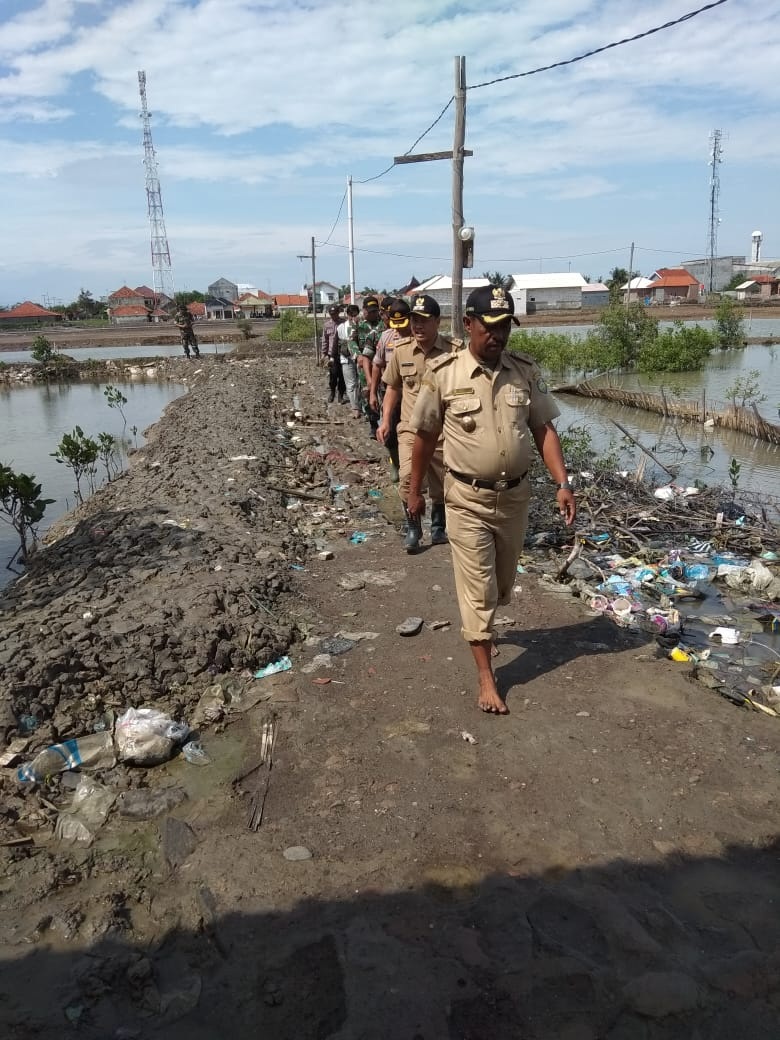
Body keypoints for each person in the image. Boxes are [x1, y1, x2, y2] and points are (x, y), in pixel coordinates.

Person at [408, 285, 576, 714]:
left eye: (505, 327)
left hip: (515, 498)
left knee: (502, 587)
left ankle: (486, 627)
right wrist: (415, 491)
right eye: (490, 326)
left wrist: (562, 483)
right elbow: (424, 438)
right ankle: (486, 676)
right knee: (479, 590)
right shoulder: (444, 373)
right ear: (468, 325)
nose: (498, 336)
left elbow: (543, 430)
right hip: (465, 498)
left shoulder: (523, 371)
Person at [378, 294, 452, 552]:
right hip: (410, 428)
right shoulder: (401, 351)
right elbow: (392, 388)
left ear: (438, 322)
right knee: (408, 477)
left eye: (424, 320)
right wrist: (386, 420)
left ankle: (438, 526)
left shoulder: (454, 351)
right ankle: (413, 527)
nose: (418, 326)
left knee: (442, 481)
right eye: (414, 320)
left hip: (444, 431)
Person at [371, 298, 410, 483]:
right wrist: (372, 392)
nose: (399, 328)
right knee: (391, 436)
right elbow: (377, 365)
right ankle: (396, 464)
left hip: (414, 396)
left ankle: (412, 468)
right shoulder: (386, 337)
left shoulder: (418, 337)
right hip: (391, 395)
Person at [356, 295, 384, 435]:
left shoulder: (383, 325)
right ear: (364, 310)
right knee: (367, 394)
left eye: (375, 311)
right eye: (370, 311)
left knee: (383, 393)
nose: (373, 314)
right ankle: (373, 423)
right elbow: (352, 342)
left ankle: (385, 421)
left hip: (381, 366)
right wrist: (358, 355)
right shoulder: (360, 327)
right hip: (366, 366)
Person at [337, 304, 361, 417]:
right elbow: (339, 343)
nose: (353, 317)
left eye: (355, 315)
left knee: (360, 383)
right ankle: (355, 407)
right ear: (347, 315)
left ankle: (362, 406)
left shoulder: (362, 326)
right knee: (351, 384)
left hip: (360, 358)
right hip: (347, 358)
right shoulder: (341, 327)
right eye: (351, 315)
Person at [322, 304, 346, 403]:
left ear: (338, 313)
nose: (333, 316)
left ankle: (340, 395)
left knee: (342, 376)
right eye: (331, 314)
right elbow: (325, 340)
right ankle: (332, 392)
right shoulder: (327, 325)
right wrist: (323, 354)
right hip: (332, 355)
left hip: (343, 353)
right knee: (333, 375)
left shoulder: (344, 323)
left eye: (335, 313)